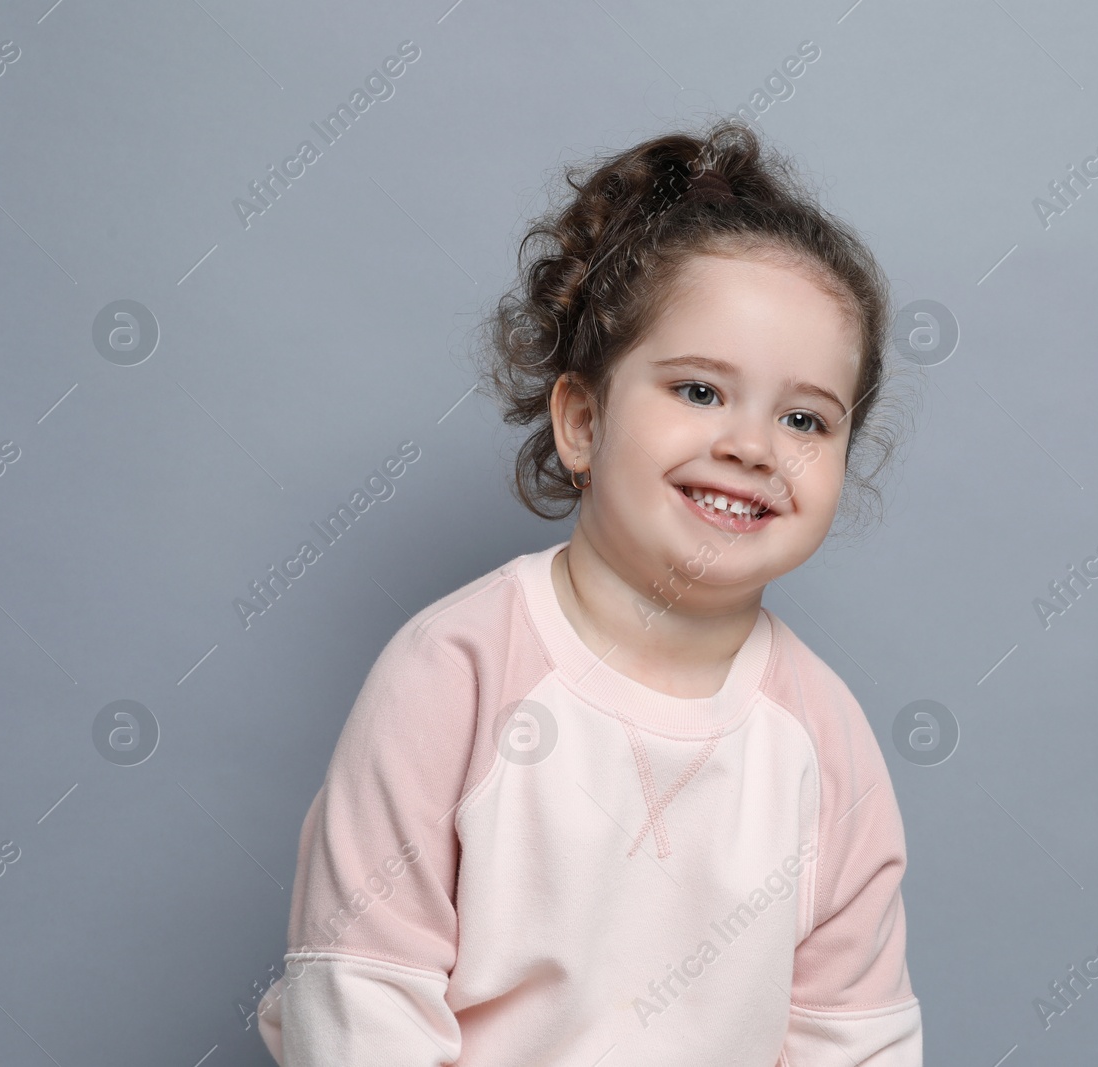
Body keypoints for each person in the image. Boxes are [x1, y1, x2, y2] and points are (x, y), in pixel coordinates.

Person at [255, 117, 921, 1065]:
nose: (753, 446)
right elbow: (363, 1001)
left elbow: (853, 1039)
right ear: (581, 420)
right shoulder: (455, 675)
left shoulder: (827, 740)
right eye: (699, 390)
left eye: (806, 416)